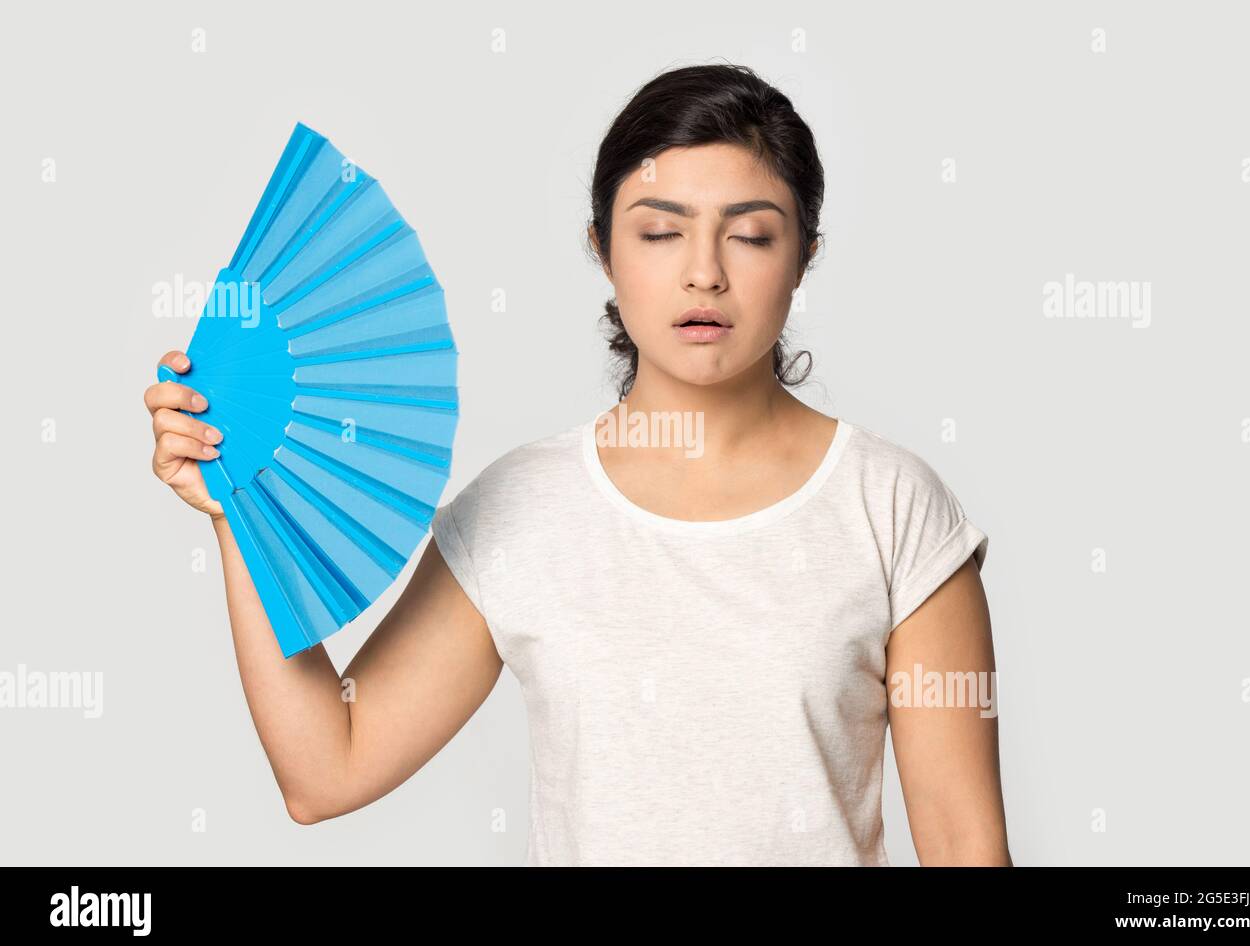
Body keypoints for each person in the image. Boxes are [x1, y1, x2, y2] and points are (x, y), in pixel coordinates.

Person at [143, 63, 1011, 866]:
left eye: (749, 236)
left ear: (804, 257)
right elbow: (326, 770)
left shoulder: (891, 506)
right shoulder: (520, 508)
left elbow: (966, 845)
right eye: (661, 233)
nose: (703, 274)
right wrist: (237, 508)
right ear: (603, 248)